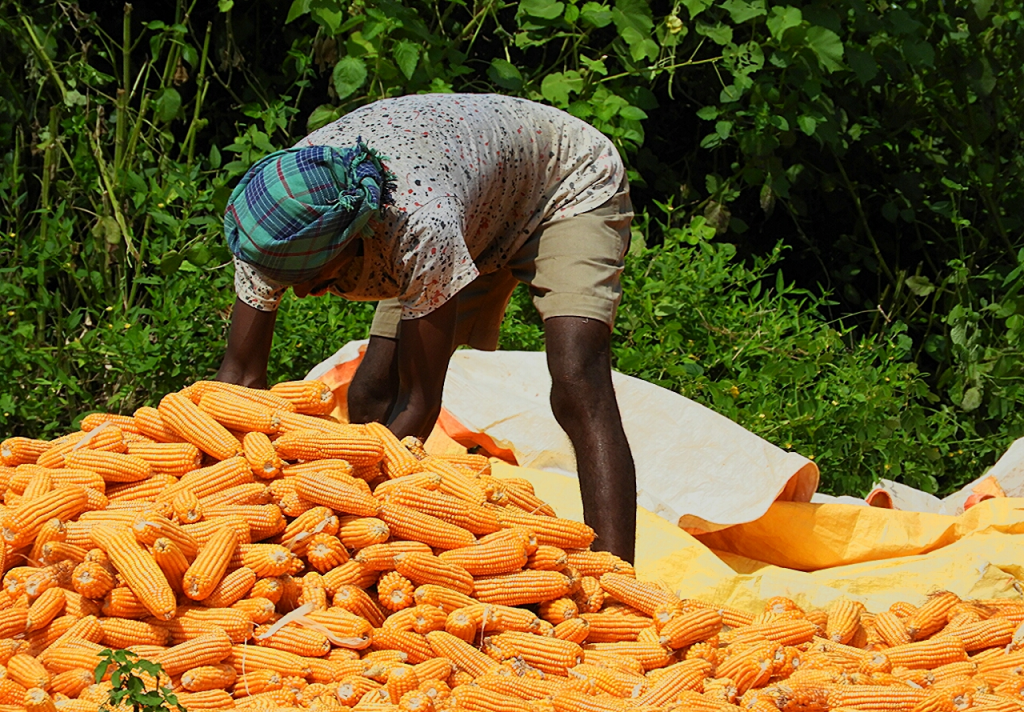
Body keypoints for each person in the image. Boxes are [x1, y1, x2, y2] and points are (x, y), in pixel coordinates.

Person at [216, 93, 637, 561]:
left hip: (563, 184)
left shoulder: (415, 225)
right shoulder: (271, 224)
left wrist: (347, 497)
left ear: (354, 238)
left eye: (313, 278)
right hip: (470, 192)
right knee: (370, 390)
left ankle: (618, 579)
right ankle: (377, 551)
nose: (299, 292)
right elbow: (239, 380)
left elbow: (420, 401)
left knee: (578, 379)